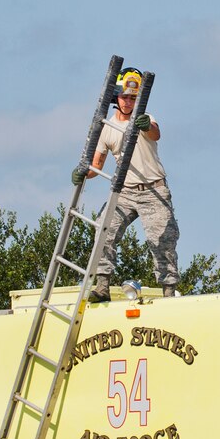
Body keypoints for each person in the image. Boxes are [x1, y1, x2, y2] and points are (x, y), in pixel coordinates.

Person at [73, 66, 180, 301]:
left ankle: (169, 291)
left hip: (154, 189)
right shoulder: (108, 127)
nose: (129, 102)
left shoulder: (146, 118)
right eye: (125, 97)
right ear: (116, 97)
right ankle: (102, 286)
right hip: (125, 191)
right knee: (104, 229)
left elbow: (155, 133)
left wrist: (145, 126)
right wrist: (83, 173)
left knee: (162, 238)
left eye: (134, 98)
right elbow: (97, 165)